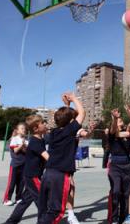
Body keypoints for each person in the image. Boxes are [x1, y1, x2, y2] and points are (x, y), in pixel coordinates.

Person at [37, 92, 85, 224]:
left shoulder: (53, 133)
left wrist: (67, 106)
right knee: (56, 211)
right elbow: (82, 113)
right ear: (71, 122)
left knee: (44, 210)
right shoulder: (70, 131)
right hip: (60, 175)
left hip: (48, 174)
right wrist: (74, 98)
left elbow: (66, 119)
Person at [5, 115, 49, 223]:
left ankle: (11, 221)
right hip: (33, 177)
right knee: (43, 202)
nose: (45, 124)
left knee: (25, 201)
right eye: (43, 123)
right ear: (35, 128)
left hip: (31, 175)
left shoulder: (41, 139)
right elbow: (48, 158)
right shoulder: (35, 142)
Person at [106, 108, 130, 224]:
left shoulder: (127, 132)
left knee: (126, 194)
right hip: (115, 167)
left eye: (121, 119)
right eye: (119, 120)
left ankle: (123, 216)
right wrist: (115, 118)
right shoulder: (112, 134)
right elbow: (112, 130)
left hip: (127, 167)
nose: (120, 120)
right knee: (116, 191)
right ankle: (114, 217)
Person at [3, 123, 28, 206]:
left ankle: (18, 198)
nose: (24, 130)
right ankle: (7, 199)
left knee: (21, 183)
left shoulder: (26, 140)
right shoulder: (14, 139)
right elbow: (16, 150)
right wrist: (22, 145)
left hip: (24, 165)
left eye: (24, 128)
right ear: (17, 131)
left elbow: (26, 152)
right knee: (12, 183)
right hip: (15, 165)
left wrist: (24, 145)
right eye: (22, 128)